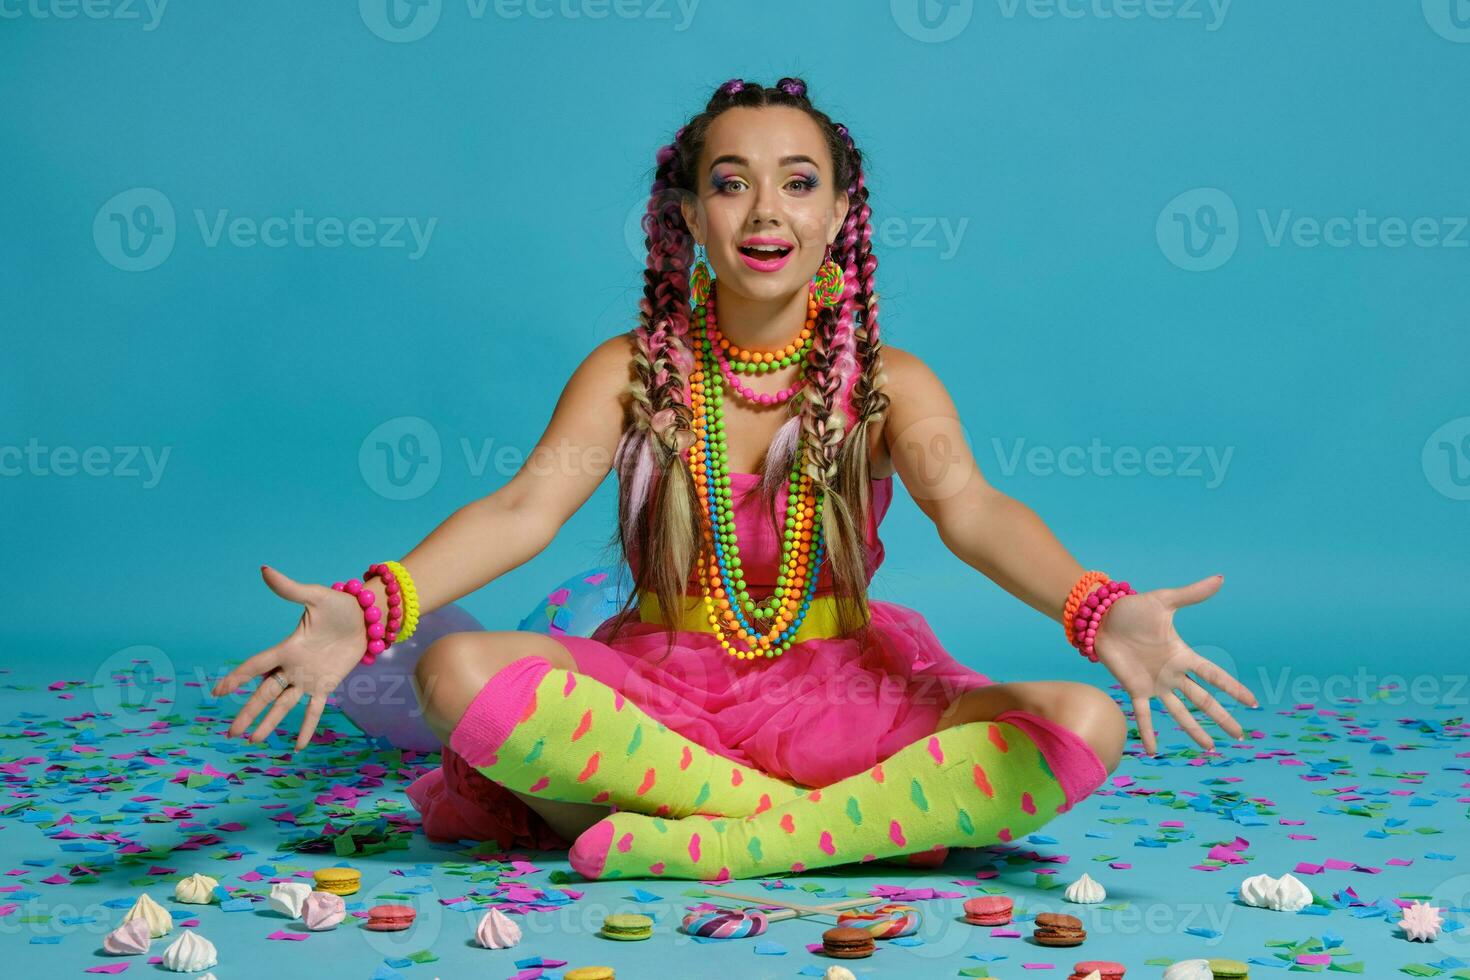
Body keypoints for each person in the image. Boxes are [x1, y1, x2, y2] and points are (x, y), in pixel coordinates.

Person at [211, 76, 1256, 882]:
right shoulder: (631, 370)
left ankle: (729, 841)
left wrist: (1096, 606)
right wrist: (373, 607)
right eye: (731, 180)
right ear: (689, 215)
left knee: (1087, 722)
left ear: (843, 210)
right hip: (657, 700)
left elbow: (973, 509)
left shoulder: (887, 382)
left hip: (844, 693)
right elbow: (524, 508)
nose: (767, 208)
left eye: (799, 181)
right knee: (456, 676)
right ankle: (799, 829)